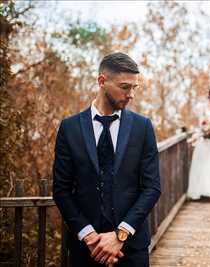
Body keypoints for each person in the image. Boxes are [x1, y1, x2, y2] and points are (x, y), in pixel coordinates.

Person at [52, 52, 161, 266]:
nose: (131, 95)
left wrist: (120, 235)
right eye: (125, 87)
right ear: (102, 81)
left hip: (131, 248)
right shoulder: (70, 127)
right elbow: (61, 189)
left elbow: (152, 188)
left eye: (134, 87)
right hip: (86, 249)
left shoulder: (143, 127)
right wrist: (89, 236)